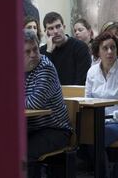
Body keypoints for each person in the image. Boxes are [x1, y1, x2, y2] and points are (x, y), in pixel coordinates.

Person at [84, 32, 118, 176]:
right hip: (100, 121)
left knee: (98, 135)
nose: (109, 52)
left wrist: (107, 118)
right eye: (105, 48)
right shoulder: (92, 72)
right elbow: (87, 100)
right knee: (81, 133)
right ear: (97, 51)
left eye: (113, 48)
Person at [24, 30, 72, 177]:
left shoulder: (45, 68)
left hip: (55, 130)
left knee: (24, 153)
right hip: (32, 128)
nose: (33, 54)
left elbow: (34, 103)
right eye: (27, 51)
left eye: (35, 49)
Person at [39, 11, 92, 85]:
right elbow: (42, 80)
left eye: (58, 26)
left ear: (63, 27)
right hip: (50, 96)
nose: (56, 31)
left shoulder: (80, 47)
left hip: (74, 94)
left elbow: (82, 80)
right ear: (46, 32)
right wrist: (48, 52)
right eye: (51, 28)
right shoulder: (42, 51)